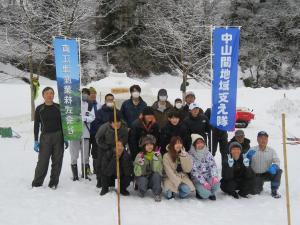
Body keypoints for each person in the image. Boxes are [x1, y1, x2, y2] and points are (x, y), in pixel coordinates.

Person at [32, 87, 67, 189]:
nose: (49, 95)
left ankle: (53, 183)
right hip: (45, 137)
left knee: (57, 161)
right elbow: (36, 125)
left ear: (54, 95)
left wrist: (66, 137)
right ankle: (37, 183)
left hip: (58, 135)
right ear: (43, 95)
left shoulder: (58, 107)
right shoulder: (39, 109)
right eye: (47, 93)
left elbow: (63, 123)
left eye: (51, 93)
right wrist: (35, 140)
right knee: (42, 161)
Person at [95, 111, 128, 190]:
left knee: (121, 162)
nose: (117, 124)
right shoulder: (104, 127)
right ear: (110, 123)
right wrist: (107, 147)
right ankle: (100, 180)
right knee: (101, 163)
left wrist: (120, 144)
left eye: (119, 122)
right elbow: (98, 139)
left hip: (118, 147)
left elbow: (125, 139)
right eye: (114, 122)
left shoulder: (124, 128)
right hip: (105, 147)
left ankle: (119, 181)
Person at [69, 88, 95, 181]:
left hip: (85, 133)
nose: (84, 95)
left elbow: (92, 117)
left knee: (85, 156)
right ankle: (75, 176)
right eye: (83, 93)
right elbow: (69, 116)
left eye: (86, 94)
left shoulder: (90, 105)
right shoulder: (73, 104)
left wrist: (83, 118)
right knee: (74, 154)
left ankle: (85, 174)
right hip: (75, 133)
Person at [250, 131, 282, 198]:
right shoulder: (252, 149)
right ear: (257, 139)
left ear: (267, 140)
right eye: (261, 138)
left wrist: (274, 166)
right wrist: (247, 158)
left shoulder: (271, 151)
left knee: (278, 171)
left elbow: (277, 161)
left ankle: (274, 190)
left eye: (265, 138)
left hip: (267, 173)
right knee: (255, 192)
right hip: (256, 175)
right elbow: (245, 160)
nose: (263, 140)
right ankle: (259, 184)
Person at [189, 134, 219, 200]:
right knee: (205, 195)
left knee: (217, 184)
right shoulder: (191, 155)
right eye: (198, 143)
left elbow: (213, 165)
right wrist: (204, 182)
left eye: (201, 142)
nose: (200, 145)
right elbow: (194, 172)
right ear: (194, 145)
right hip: (198, 180)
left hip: (208, 176)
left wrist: (214, 176)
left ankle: (211, 193)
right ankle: (202, 192)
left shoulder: (208, 153)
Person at [134, 135, 163, 202]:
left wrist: (156, 160)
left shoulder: (157, 154)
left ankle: (157, 193)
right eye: (147, 145)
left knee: (157, 175)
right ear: (144, 146)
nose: (150, 146)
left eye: (151, 144)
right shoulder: (139, 155)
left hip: (152, 177)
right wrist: (141, 165)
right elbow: (137, 173)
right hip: (143, 176)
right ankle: (140, 188)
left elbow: (158, 170)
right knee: (142, 189)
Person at [93, 93, 115, 176]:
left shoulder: (117, 111)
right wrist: (107, 129)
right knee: (101, 160)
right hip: (103, 140)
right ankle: (100, 179)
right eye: (108, 99)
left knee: (113, 160)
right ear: (105, 101)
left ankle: (112, 178)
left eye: (111, 100)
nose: (110, 101)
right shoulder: (99, 112)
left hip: (114, 140)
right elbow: (97, 125)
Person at [88, 87, 102, 175]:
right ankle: (86, 169)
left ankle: (96, 169)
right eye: (91, 94)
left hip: (97, 132)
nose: (93, 95)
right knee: (86, 151)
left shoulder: (99, 105)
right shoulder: (85, 105)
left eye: (94, 93)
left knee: (96, 152)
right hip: (87, 132)